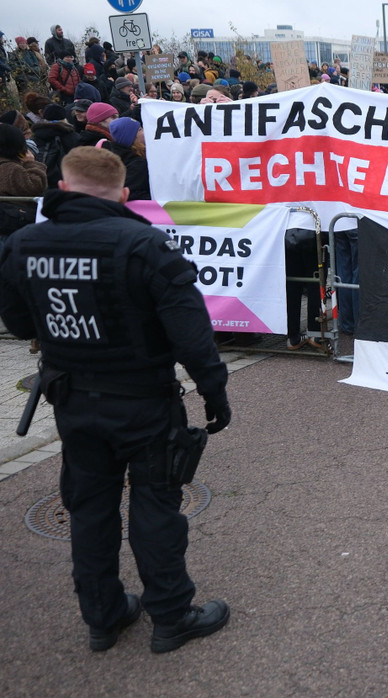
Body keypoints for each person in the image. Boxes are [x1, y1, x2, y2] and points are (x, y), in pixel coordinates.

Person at [0, 147, 232, 654]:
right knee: (155, 507)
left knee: (89, 509)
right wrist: (214, 391)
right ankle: (171, 616)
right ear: (125, 195)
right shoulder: (146, 245)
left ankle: (102, 616)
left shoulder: (22, 245)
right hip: (144, 402)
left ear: (61, 187)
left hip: (73, 401)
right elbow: (192, 336)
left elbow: (18, 323)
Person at [103, 117, 149, 200]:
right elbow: (132, 193)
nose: (145, 131)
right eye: (140, 129)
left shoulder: (118, 156)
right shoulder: (137, 164)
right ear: (132, 137)